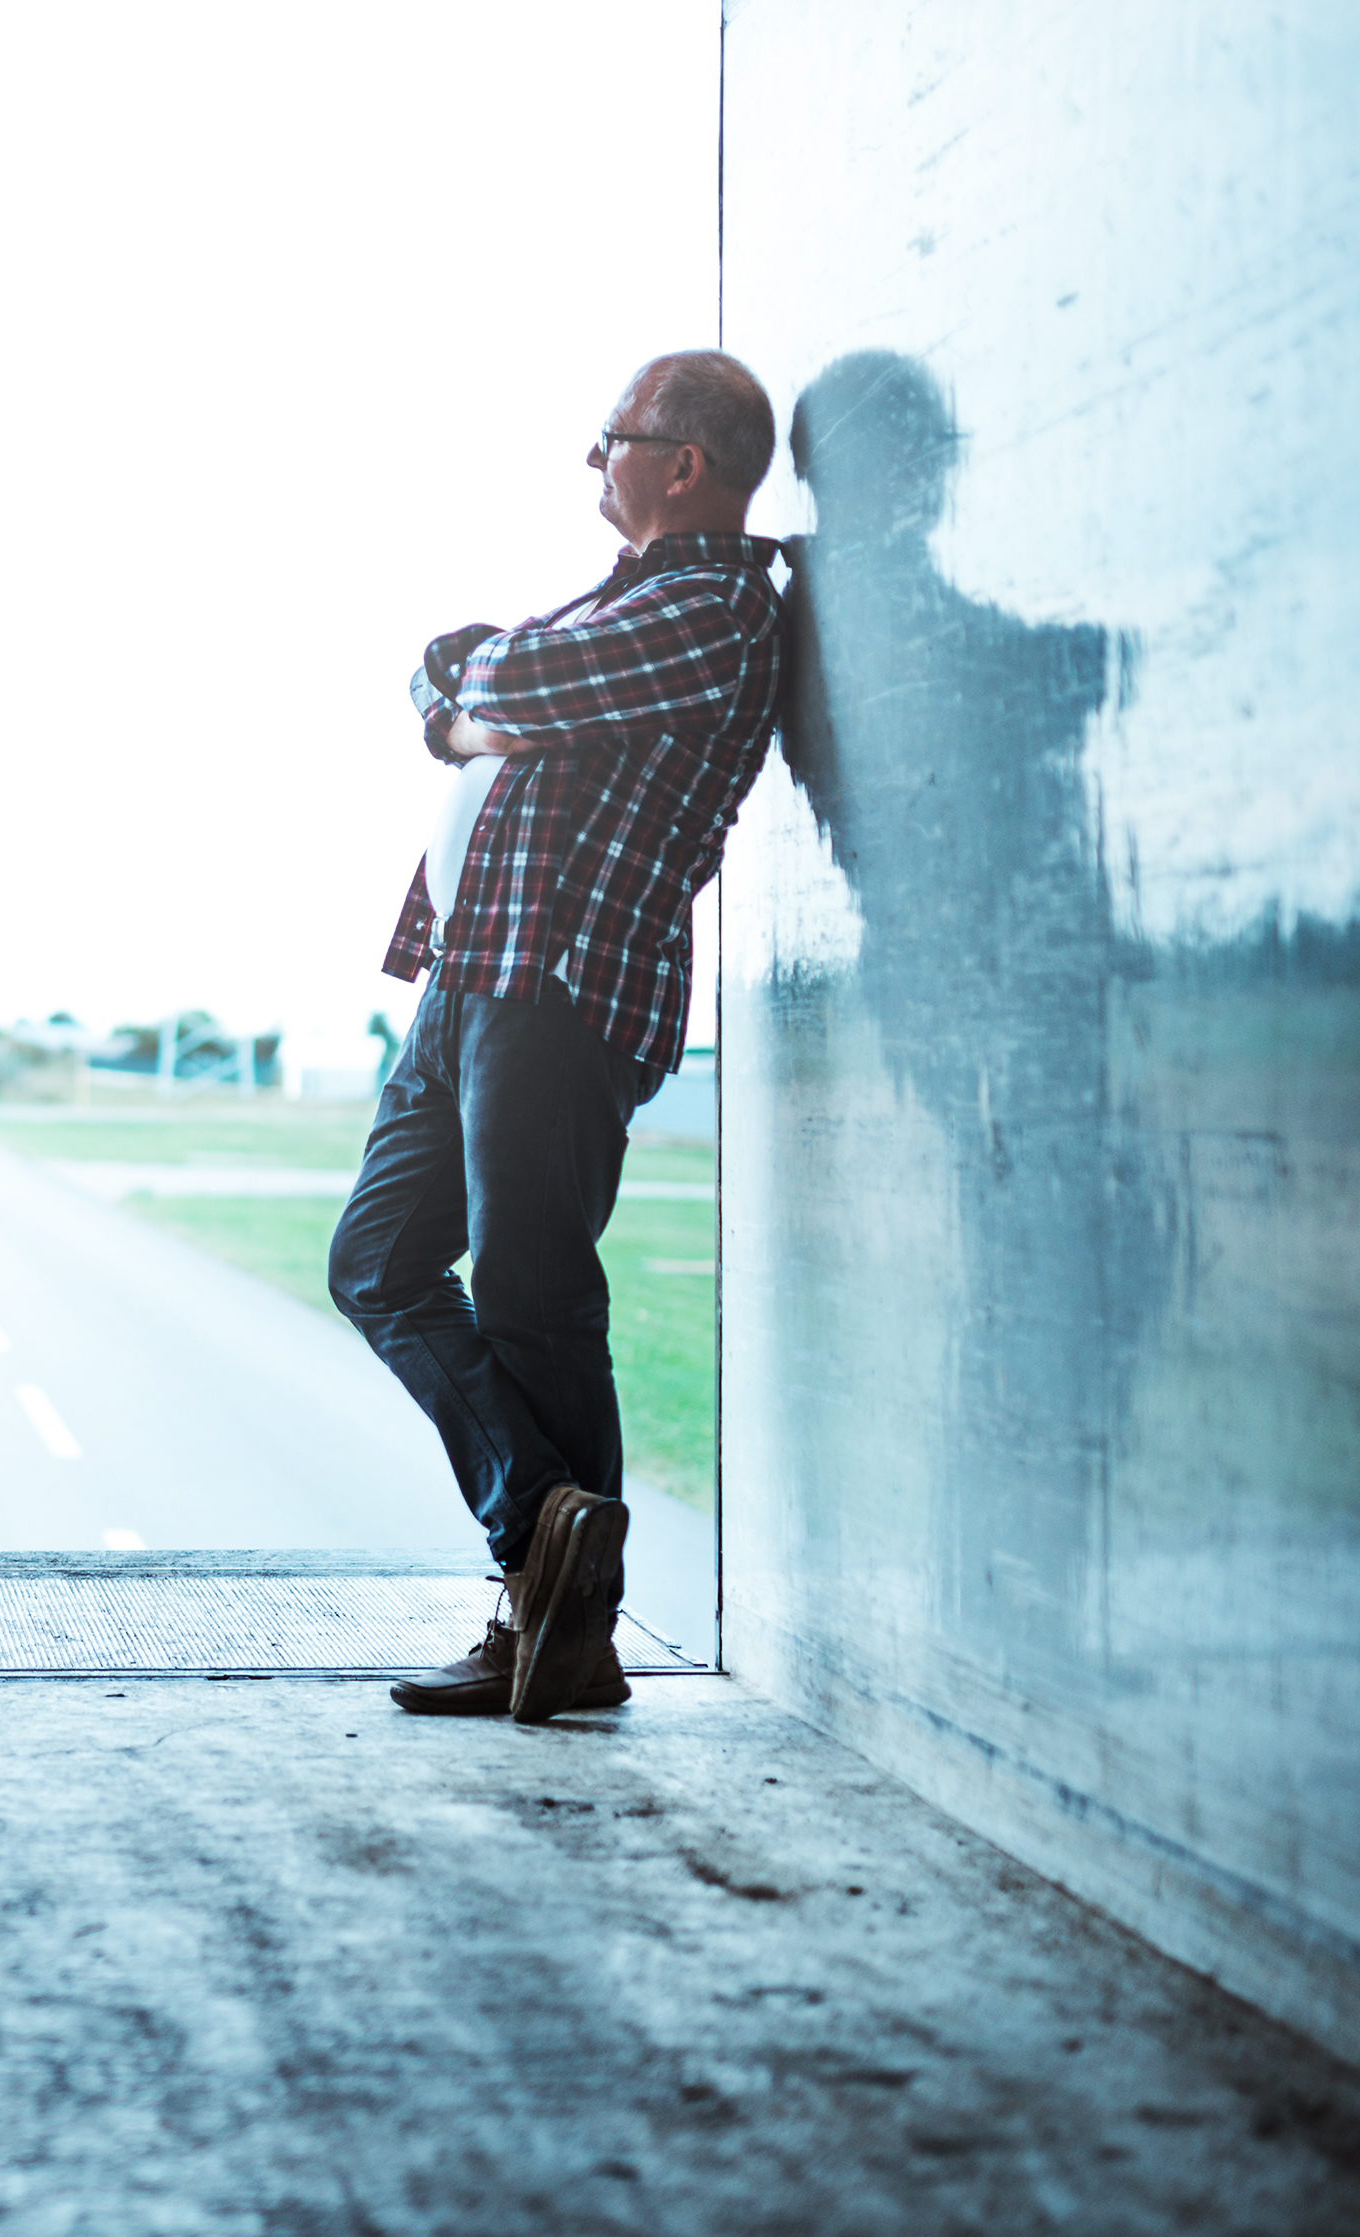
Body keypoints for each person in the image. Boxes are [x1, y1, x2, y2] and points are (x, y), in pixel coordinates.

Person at [328, 350, 787, 1721]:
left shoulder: (711, 609)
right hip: (468, 985)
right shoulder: (636, 602)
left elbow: (498, 672)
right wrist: (466, 699)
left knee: (533, 1297)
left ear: (682, 463)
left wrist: (471, 702)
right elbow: (458, 677)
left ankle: (557, 1626)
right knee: (378, 1262)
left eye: (610, 440)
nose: (594, 464)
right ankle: (552, 1537)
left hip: (561, 995)